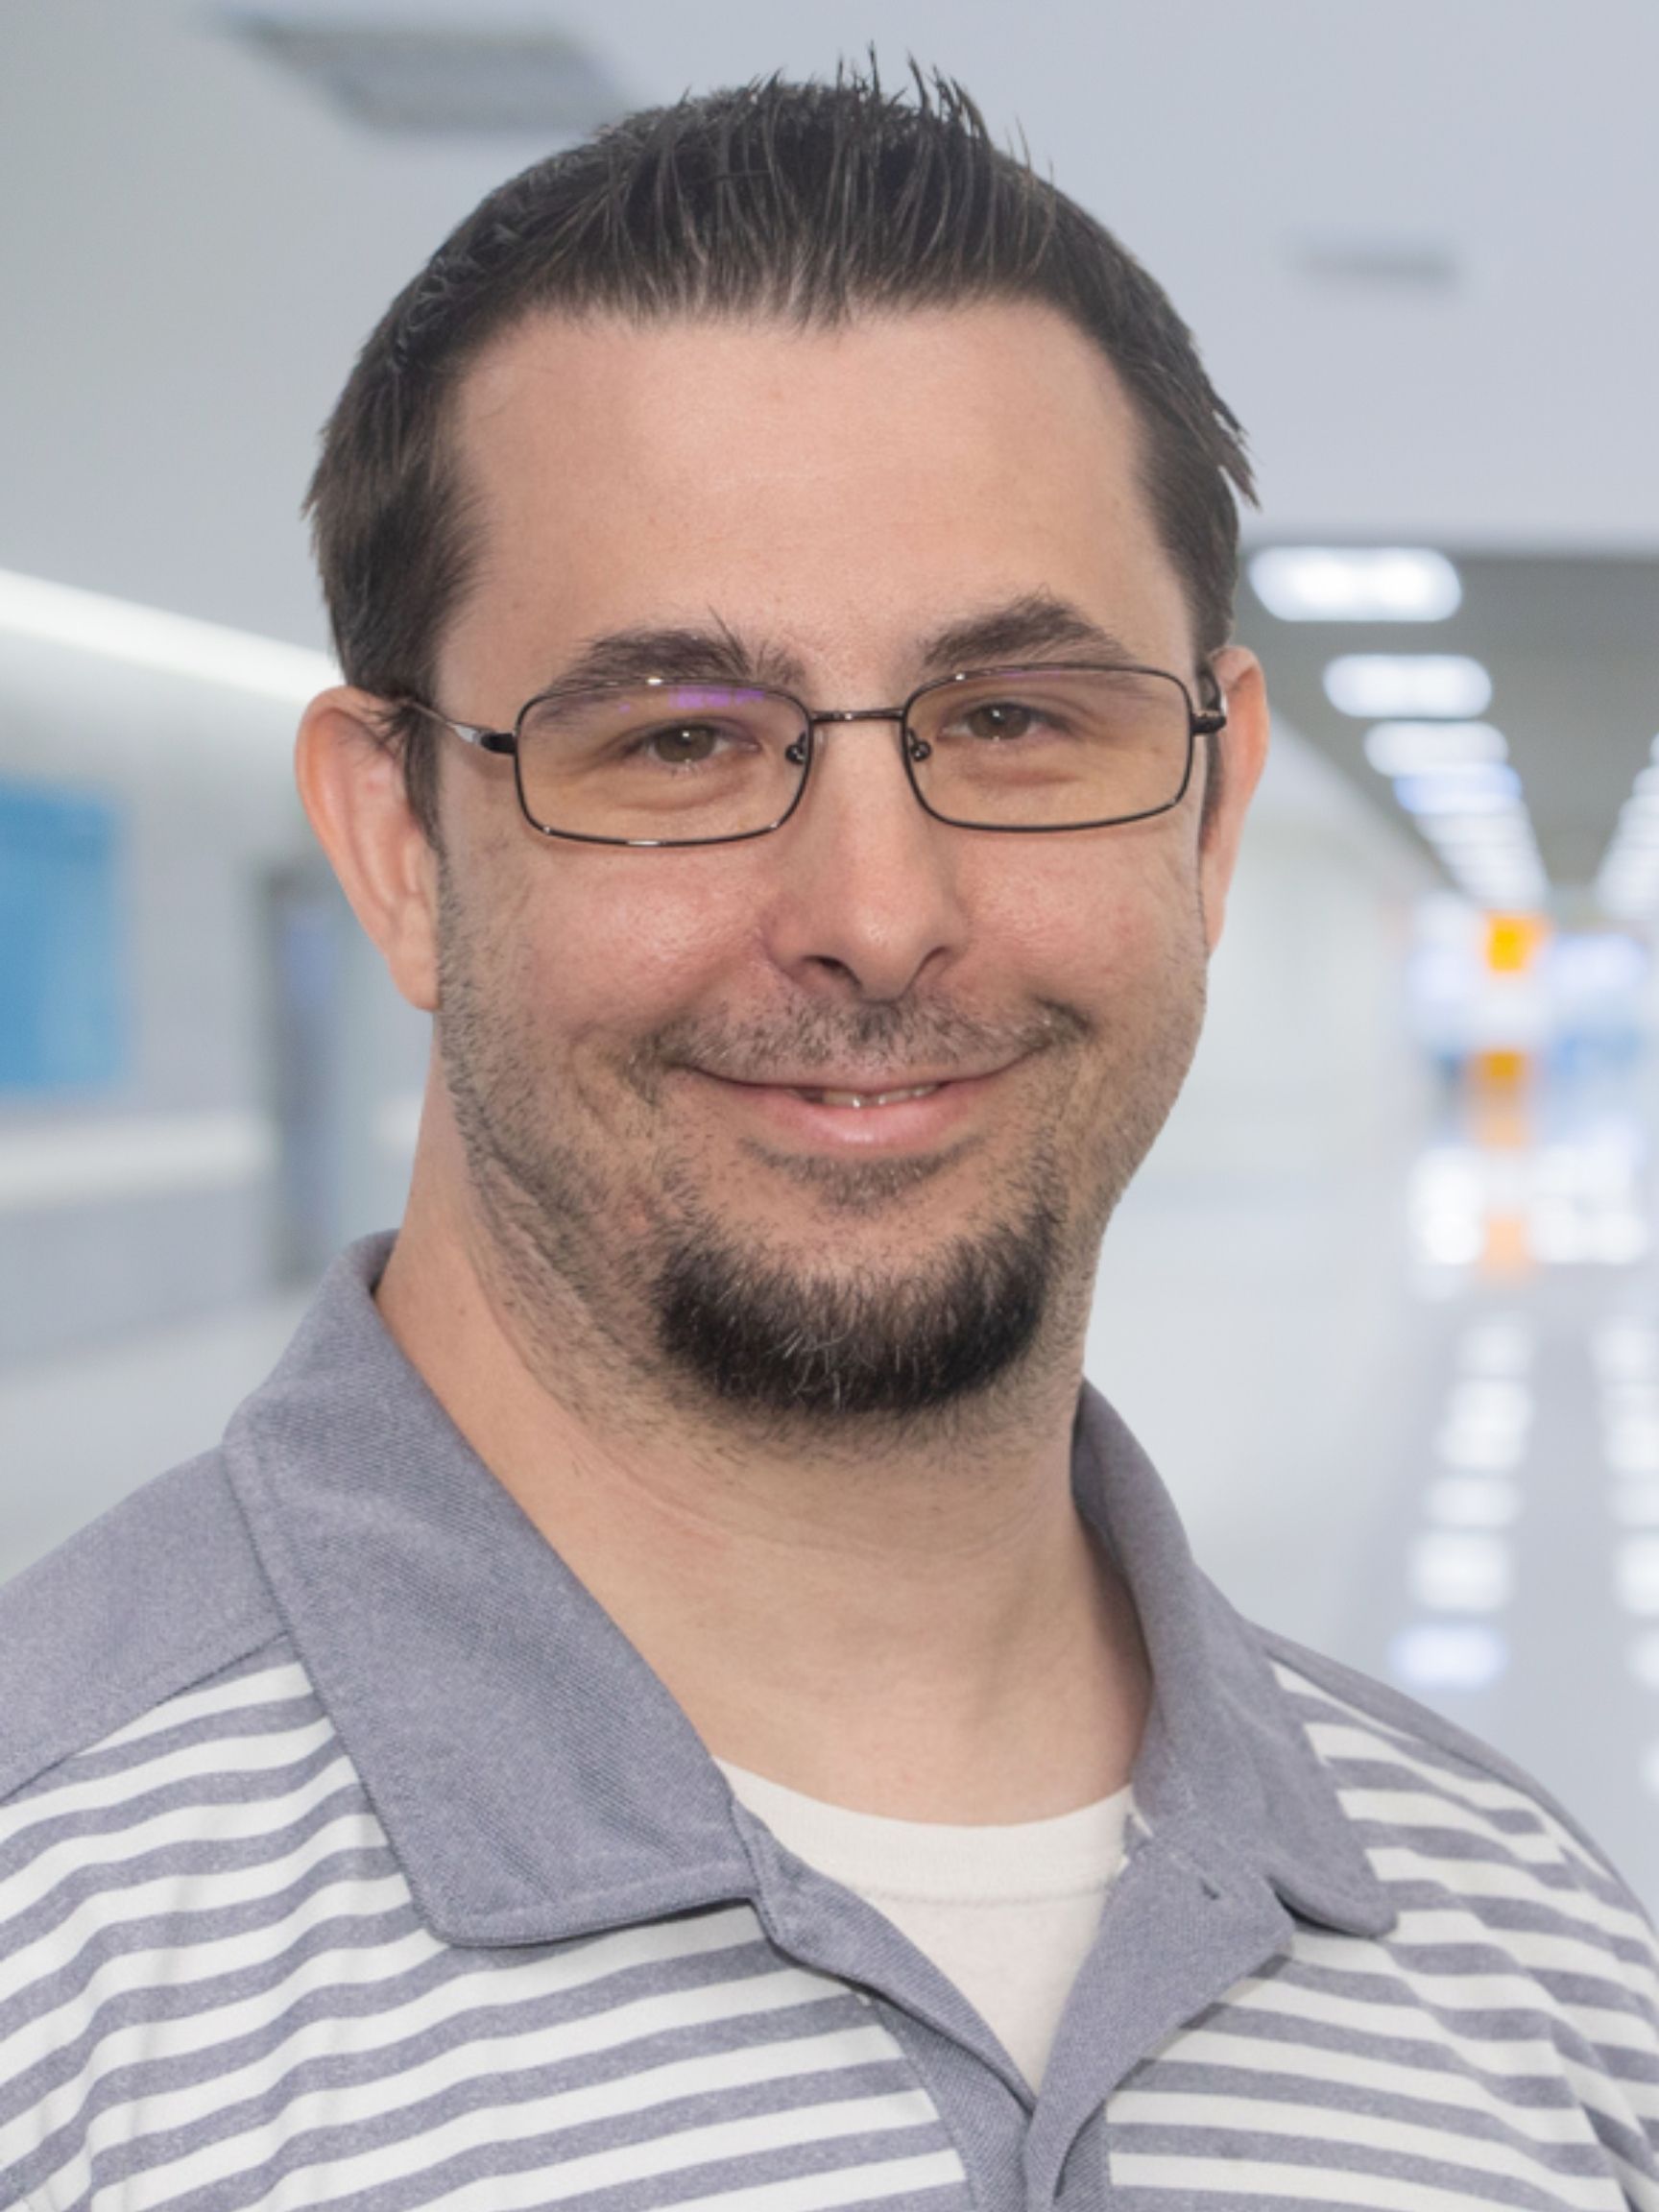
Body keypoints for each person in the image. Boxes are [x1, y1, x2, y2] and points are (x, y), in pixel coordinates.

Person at [3, 68, 1655, 2212]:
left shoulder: (1545, 1973)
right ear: (399, 844)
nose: (876, 912)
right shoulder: (53, 1958)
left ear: (1211, 811)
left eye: (1015, 719)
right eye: (679, 740)